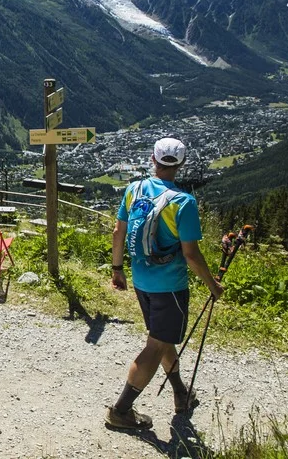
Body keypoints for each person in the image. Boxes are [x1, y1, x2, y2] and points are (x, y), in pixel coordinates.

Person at [106, 137, 224, 430]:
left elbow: (118, 233)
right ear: (181, 164)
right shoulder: (183, 202)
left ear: (152, 159)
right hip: (169, 286)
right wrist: (213, 285)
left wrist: (117, 269)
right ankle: (121, 411)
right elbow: (191, 254)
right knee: (156, 344)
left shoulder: (135, 189)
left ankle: (181, 394)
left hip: (141, 281)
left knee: (162, 338)